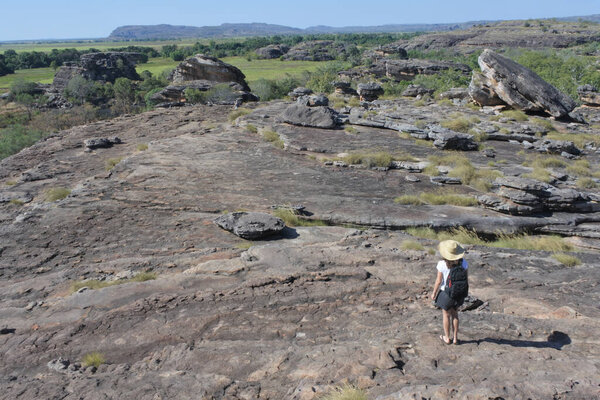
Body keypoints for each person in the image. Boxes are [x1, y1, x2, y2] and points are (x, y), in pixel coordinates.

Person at [430, 239, 468, 345]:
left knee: (446, 315)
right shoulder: (464, 263)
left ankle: (447, 338)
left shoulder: (442, 264)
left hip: (445, 293)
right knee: (455, 315)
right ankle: (455, 338)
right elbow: (466, 279)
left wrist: (434, 293)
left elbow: (438, 281)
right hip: (458, 293)